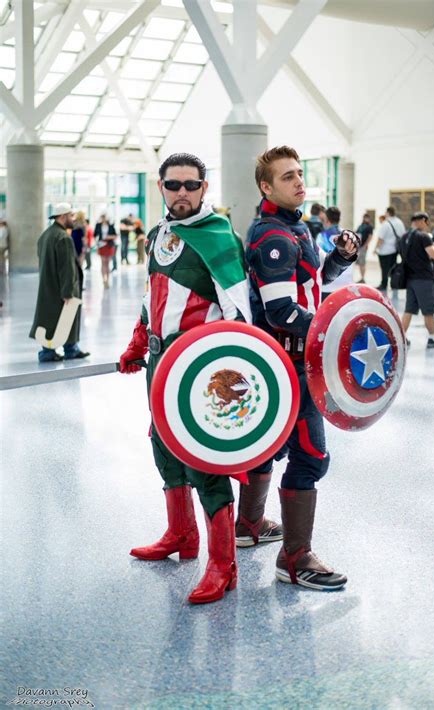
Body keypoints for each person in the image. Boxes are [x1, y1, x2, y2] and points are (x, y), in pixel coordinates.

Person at [119, 153, 251, 605]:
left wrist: (229, 373)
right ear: (160, 187)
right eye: (172, 184)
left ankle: (223, 563)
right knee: (163, 443)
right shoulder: (159, 234)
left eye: (189, 185)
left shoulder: (220, 238)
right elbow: (152, 291)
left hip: (199, 369)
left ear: (203, 188)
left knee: (204, 459)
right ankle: (181, 535)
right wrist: (139, 339)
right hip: (160, 365)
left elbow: (241, 315)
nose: (181, 193)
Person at [243, 145, 359, 590]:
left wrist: (339, 261)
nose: (298, 181)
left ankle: (248, 526)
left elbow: (309, 285)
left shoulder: (293, 227)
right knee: (310, 456)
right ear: (266, 186)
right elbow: (282, 311)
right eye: (287, 176)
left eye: (299, 173)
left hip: (288, 360)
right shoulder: (274, 234)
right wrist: (335, 334)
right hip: (291, 363)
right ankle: (294, 558)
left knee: (269, 446)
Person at [29, 203, 90, 362]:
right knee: (64, 316)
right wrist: (68, 291)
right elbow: (67, 268)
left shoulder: (46, 235)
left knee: (51, 316)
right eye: (71, 216)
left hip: (48, 283)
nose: (73, 219)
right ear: (63, 217)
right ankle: (63, 350)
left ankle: (62, 349)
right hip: (62, 286)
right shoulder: (63, 238)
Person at [401, 211, 434, 349]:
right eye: (427, 222)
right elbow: (433, 255)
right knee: (428, 310)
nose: (427, 225)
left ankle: (401, 338)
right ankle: (432, 338)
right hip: (424, 279)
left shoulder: (404, 237)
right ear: (422, 220)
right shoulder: (423, 236)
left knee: (409, 309)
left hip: (410, 279)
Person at [317, 206, 354, 301]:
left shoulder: (322, 237)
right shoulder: (348, 235)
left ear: (326, 220)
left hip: (328, 286)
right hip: (346, 284)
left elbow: (319, 260)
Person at [375, 206, 405, 291]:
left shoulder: (386, 223)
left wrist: (376, 249)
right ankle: (394, 283)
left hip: (385, 251)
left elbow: (381, 239)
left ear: (388, 213)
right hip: (395, 250)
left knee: (384, 269)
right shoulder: (400, 222)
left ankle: (384, 284)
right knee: (393, 268)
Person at [94, 215, 117, 288]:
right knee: (103, 262)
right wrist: (96, 242)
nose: (104, 219)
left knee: (107, 263)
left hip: (109, 245)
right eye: (102, 217)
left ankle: (107, 279)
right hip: (101, 245)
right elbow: (95, 235)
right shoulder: (98, 225)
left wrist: (109, 237)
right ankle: (104, 280)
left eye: (105, 217)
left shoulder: (111, 226)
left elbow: (115, 235)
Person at [355, 212, 374, 283]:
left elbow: (370, 237)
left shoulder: (369, 227)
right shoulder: (361, 226)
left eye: (367, 218)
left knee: (362, 262)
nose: (366, 219)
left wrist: (365, 245)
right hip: (358, 246)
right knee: (359, 262)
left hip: (363, 247)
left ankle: (363, 278)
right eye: (365, 217)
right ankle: (361, 277)